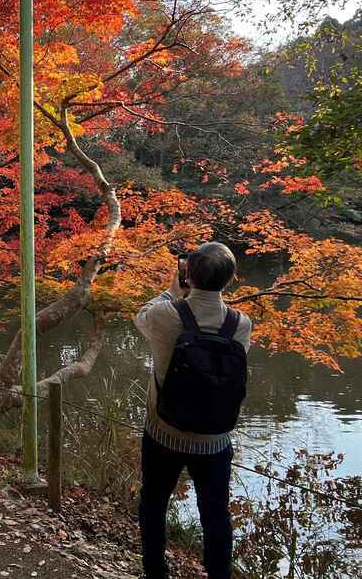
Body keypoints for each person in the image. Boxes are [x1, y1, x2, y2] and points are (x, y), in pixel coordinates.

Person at [133, 242, 253, 579]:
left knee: (154, 504)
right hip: (214, 439)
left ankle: (156, 572)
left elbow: (139, 316)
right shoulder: (241, 324)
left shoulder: (164, 314)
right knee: (215, 514)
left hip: (163, 432)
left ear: (187, 273)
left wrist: (172, 291)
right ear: (230, 279)